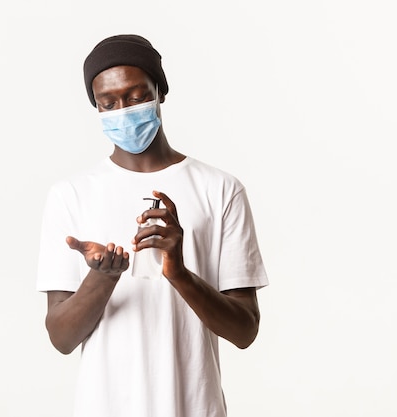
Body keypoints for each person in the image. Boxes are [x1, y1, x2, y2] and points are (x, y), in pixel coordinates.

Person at [37, 34, 269, 417]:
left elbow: (244, 331)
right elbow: (61, 338)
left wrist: (179, 273)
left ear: (160, 91)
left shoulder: (220, 189)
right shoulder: (71, 195)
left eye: (136, 96)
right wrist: (102, 277)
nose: (122, 112)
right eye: (107, 104)